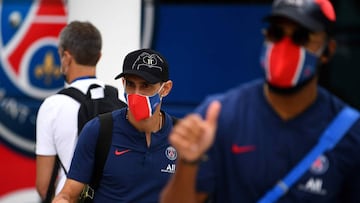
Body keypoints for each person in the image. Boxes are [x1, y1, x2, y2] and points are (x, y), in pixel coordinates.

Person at [160, 0, 360, 202]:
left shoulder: (349, 131)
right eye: (276, 33)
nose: (285, 46)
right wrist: (187, 163)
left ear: (328, 50)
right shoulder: (219, 116)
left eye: (300, 37)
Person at [52, 48, 176, 203]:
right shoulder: (99, 130)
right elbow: (67, 195)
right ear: (123, 83)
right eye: (130, 84)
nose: (136, 93)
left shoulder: (181, 137)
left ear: (165, 89)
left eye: (145, 86)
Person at [35, 21, 126, 201]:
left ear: (66, 57)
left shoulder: (52, 106)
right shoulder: (120, 99)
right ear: (99, 56)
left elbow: (44, 186)